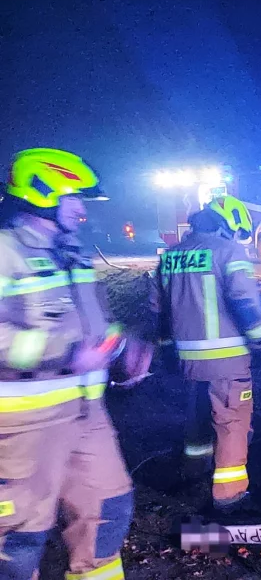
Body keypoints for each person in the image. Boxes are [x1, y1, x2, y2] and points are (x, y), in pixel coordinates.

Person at [0, 148, 153, 580]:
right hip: (24, 426)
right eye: (74, 198)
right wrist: (66, 354)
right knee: (18, 542)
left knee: (108, 510)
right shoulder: (4, 253)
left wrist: (124, 349)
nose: (81, 208)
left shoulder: (73, 253)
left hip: (88, 414)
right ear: (43, 192)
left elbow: (93, 325)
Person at [150, 195, 261, 513]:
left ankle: (193, 479)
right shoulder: (228, 251)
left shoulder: (171, 256)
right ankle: (230, 498)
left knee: (197, 422)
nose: (237, 239)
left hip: (187, 362)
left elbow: (158, 312)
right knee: (231, 424)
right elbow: (245, 301)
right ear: (229, 224)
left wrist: (167, 352)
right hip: (227, 362)